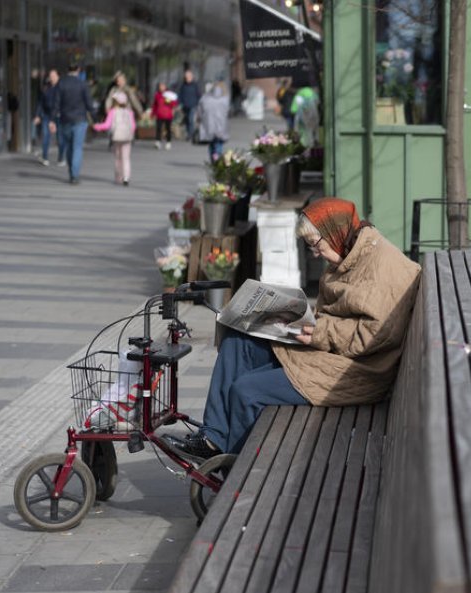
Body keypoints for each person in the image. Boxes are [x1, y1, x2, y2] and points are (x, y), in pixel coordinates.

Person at [174, 197, 421, 458]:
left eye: (316, 244)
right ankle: (215, 439)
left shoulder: (382, 267)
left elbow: (374, 336)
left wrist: (319, 331)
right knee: (238, 339)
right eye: (309, 246)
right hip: (329, 354)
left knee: (246, 391)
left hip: (355, 372)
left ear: (335, 232)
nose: (315, 252)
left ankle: (237, 474)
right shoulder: (349, 252)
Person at [55, 63, 98, 184]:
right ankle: (74, 174)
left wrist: (53, 119)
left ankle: (71, 171)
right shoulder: (82, 84)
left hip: (65, 119)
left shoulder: (61, 83)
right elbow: (89, 103)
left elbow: (56, 103)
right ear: (78, 70)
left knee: (69, 146)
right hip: (80, 119)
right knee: (77, 147)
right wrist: (95, 119)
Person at [92, 91, 136, 185]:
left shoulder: (113, 112)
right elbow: (133, 126)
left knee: (118, 157)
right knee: (126, 158)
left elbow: (107, 125)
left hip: (117, 136)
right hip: (127, 137)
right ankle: (126, 178)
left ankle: (118, 177)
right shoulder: (130, 112)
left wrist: (96, 126)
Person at [33, 69, 62, 166]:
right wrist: (37, 115)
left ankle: (61, 158)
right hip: (47, 115)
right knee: (46, 136)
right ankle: (45, 157)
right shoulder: (46, 88)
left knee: (60, 138)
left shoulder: (62, 88)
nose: (52, 78)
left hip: (59, 116)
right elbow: (40, 103)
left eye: (54, 76)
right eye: (50, 76)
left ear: (58, 76)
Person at [197, 82, 230, 162]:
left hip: (208, 124)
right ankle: (217, 157)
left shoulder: (205, 98)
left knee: (211, 142)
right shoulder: (225, 99)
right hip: (221, 124)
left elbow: (200, 110)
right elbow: (227, 111)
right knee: (219, 142)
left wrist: (200, 118)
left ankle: (213, 157)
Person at [151, 82, 177, 150]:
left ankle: (168, 142)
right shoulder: (157, 95)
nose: (161, 87)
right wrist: (153, 114)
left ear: (165, 87)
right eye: (160, 86)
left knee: (168, 129)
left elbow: (174, 104)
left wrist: (169, 102)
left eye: (163, 86)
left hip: (168, 115)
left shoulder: (169, 94)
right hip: (159, 114)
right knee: (158, 128)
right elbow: (155, 105)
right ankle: (158, 141)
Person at [177, 69, 201, 141]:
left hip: (193, 105)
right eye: (186, 77)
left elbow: (198, 94)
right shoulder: (183, 85)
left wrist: (198, 103)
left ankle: (191, 135)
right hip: (185, 106)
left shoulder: (195, 85)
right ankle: (189, 133)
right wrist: (179, 103)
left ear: (191, 77)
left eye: (188, 77)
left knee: (191, 120)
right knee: (187, 120)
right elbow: (180, 95)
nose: (187, 78)